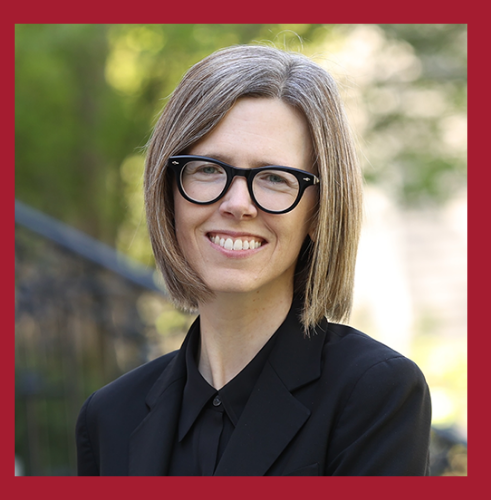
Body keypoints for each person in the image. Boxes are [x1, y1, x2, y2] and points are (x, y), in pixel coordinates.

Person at [76, 45, 431, 476]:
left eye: (275, 178)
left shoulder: (374, 393)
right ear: (168, 193)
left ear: (319, 212)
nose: (238, 203)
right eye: (208, 168)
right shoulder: (109, 416)